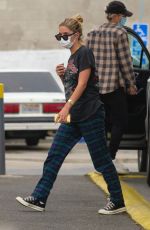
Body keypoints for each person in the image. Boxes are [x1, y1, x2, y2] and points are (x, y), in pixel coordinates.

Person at [16, 14, 126, 215]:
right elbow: (72, 86)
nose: (61, 39)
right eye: (59, 35)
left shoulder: (84, 53)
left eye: (65, 35)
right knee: (54, 156)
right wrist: (62, 76)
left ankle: (117, 200)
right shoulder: (72, 57)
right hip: (74, 116)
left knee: (101, 160)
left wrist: (66, 107)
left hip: (90, 114)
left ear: (76, 35)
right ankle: (39, 198)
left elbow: (84, 84)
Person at [86, 1, 137, 171]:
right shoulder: (120, 33)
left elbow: (86, 60)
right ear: (116, 16)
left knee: (102, 124)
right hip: (113, 87)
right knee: (120, 121)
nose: (124, 20)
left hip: (94, 87)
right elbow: (125, 62)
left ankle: (100, 162)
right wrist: (131, 83)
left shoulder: (92, 32)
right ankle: (110, 159)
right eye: (123, 16)